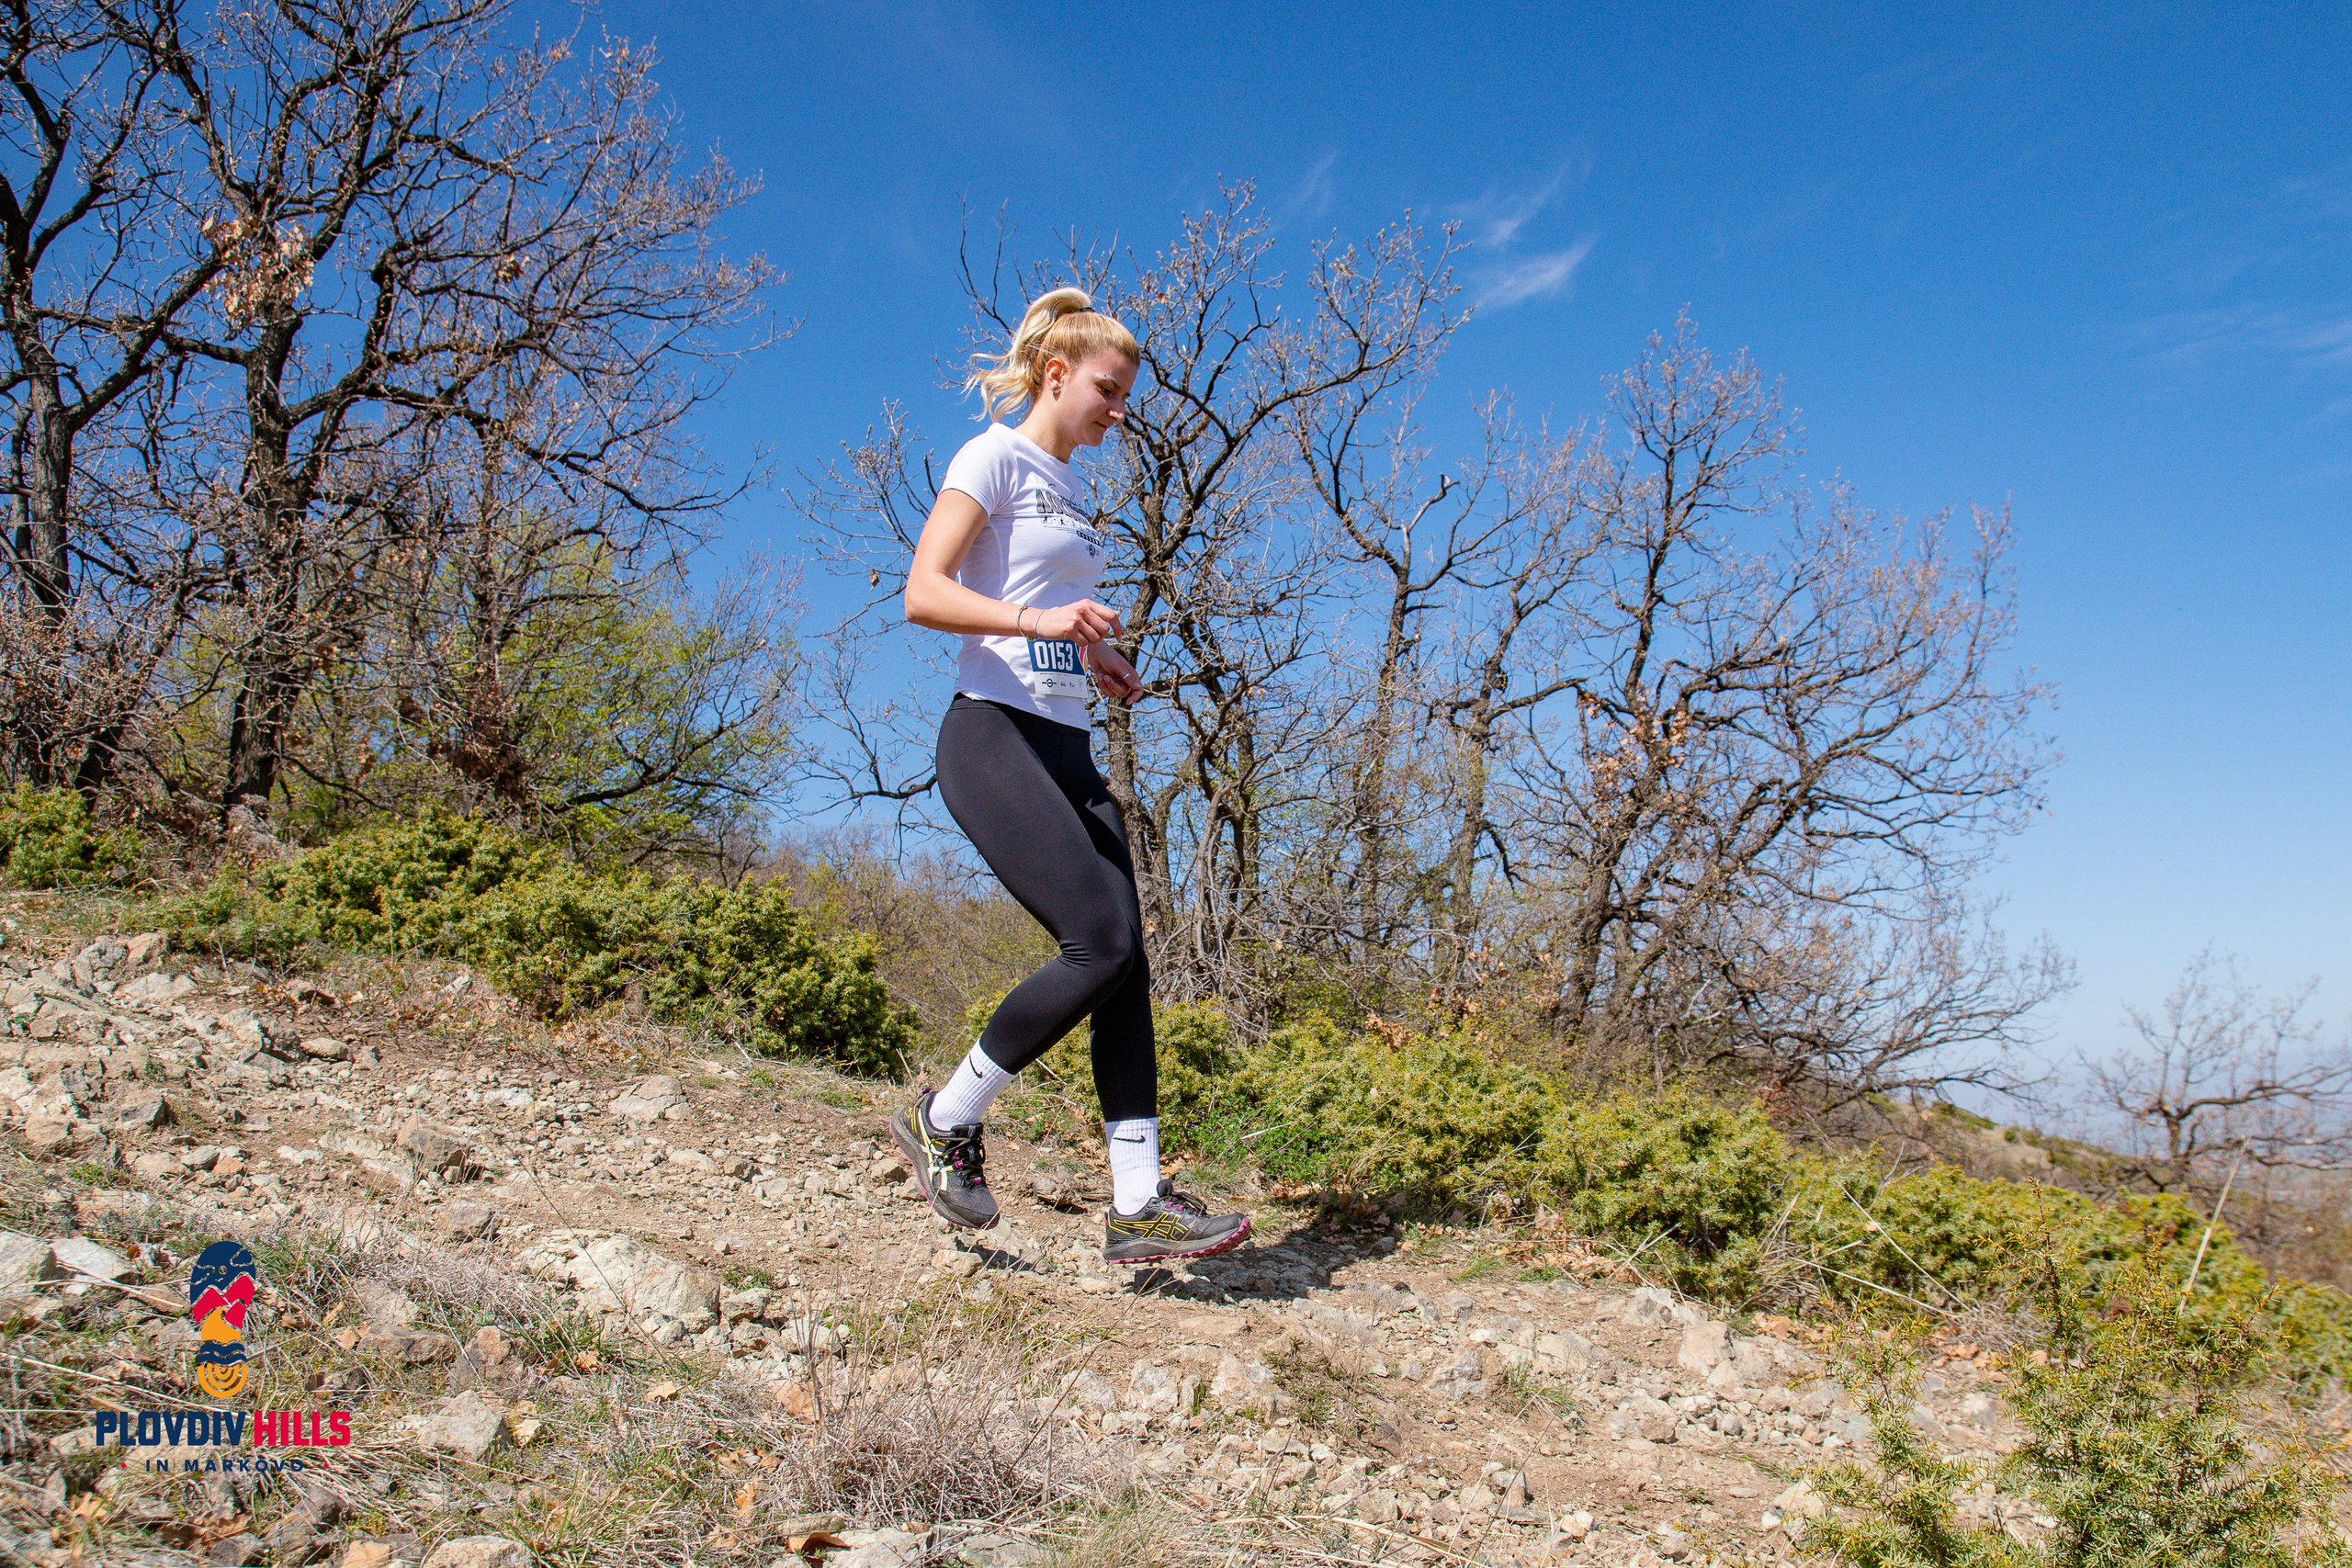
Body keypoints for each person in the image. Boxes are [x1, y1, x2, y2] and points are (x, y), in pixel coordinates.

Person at [890, 288, 1250, 1265]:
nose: (1118, 410)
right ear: (1058, 375)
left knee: (1125, 957)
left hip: (1064, 738)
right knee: (1096, 938)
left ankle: (1137, 1201)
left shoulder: (1076, 492)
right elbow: (926, 594)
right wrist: (1043, 625)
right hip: (990, 735)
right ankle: (947, 1117)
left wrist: (1093, 657)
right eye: (1108, 389)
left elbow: (1049, 606)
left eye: (1125, 395)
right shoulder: (990, 458)